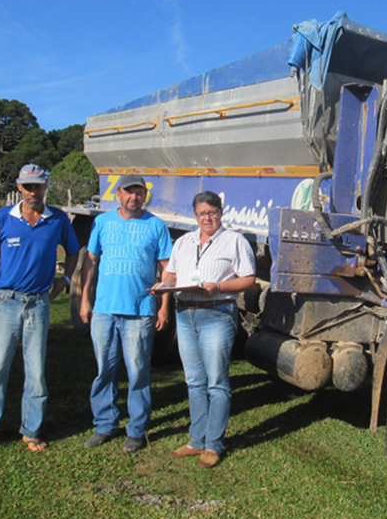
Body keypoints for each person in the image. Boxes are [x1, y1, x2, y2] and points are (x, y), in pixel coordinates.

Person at [0, 164, 80, 454]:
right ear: (19, 187)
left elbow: (73, 251)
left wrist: (65, 279)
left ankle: (31, 430)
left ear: (46, 186)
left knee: (36, 370)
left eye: (38, 186)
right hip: (7, 302)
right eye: (27, 186)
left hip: (39, 304)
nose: (33, 191)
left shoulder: (57, 220)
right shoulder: (2, 218)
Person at [157, 191, 255, 468]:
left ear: (221, 213)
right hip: (185, 315)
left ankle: (213, 445)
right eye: (201, 213)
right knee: (194, 381)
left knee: (216, 382)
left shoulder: (234, 241)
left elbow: (247, 279)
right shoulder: (184, 241)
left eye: (212, 212)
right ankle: (195, 441)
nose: (207, 218)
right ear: (195, 215)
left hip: (217, 313)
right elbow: (172, 274)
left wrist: (220, 286)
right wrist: (164, 285)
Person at [79, 174, 173, 453]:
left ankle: (137, 429)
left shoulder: (156, 225)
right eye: (129, 192)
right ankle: (105, 424)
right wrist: (85, 300)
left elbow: (168, 268)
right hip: (105, 310)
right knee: (104, 370)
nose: (134, 197)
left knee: (138, 372)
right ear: (118, 194)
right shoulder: (102, 222)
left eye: (139, 192)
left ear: (145, 196)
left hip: (140, 310)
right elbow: (90, 262)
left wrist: (164, 305)